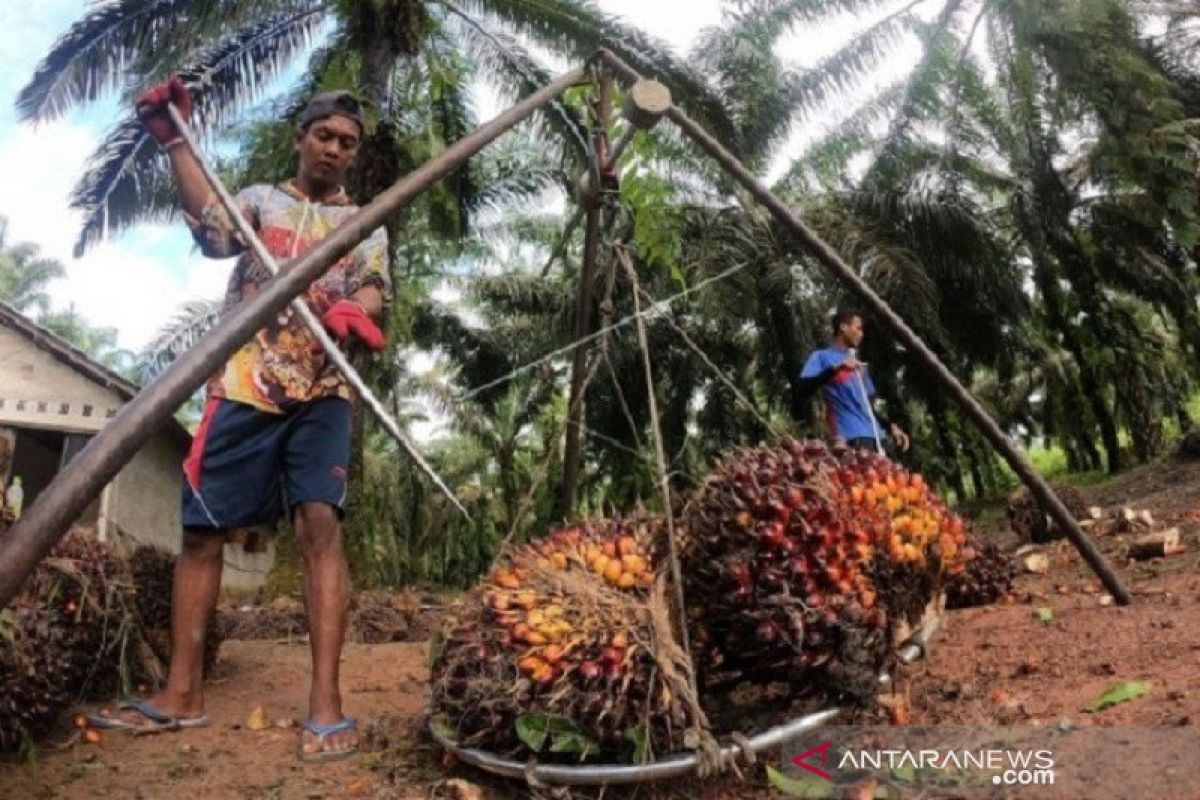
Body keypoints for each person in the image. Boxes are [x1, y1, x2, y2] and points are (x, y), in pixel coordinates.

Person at [89, 78, 390, 763]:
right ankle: (181, 694)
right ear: (302, 138)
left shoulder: (366, 221)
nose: (336, 149)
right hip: (243, 383)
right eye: (326, 136)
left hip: (321, 394)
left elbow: (373, 286)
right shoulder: (257, 200)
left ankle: (326, 707)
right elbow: (215, 233)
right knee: (202, 531)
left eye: (348, 143)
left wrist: (359, 312)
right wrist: (175, 148)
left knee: (320, 524)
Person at [799, 310, 910, 456]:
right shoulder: (822, 357)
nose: (862, 334)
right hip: (851, 438)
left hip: (879, 438)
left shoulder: (859, 366)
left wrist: (890, 427)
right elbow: (802, 388)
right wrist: (836, 369)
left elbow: (867, 407)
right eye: (858, 328)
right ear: (843, 327)